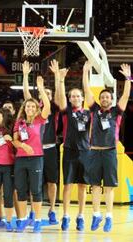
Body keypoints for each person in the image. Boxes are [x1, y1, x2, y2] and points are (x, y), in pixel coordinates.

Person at [83, 62, 131, 232]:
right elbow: (87, 91)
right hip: (94, 152)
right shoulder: (94, 109)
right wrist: (85, 72)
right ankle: (96, 215)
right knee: (95, 186)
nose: (104, 99)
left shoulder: (117, 111)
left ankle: (109, 217)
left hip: (110, 153)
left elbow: (125, 95)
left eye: (107, 97)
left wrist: (127, 78)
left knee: (109, 187)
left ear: (111, 100)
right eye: (102, 97)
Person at [23, 60, 60, 224]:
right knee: (35, 183)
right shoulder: (34, 111)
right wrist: (25, 76)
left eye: (48, 94)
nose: (46, 97)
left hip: (50, 149)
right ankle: (33, 211)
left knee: (52, 181)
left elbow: (55, 97)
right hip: (35, 151)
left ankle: (52, 209)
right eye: (43, 94)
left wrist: (56, 77)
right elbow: (26, 96)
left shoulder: (53, 109)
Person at [54, 60, 89, 231]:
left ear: (82, 98)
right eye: (72, 96)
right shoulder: (66, 112)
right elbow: (60, 99)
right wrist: (60, 80)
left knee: (82, 186)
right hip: (68, 151)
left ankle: (81, 216)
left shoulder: (89, 113)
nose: (75, 98)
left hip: (85, 152)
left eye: (78, 95)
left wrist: (85, 74)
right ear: (70, 98)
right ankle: (66, 216)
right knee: (67, 186)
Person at [12, 75, 50, 233]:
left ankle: (37, 221)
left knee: (36, 190)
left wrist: (41, 88)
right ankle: (21, 219)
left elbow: (47, 106)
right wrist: (22, 145)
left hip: (36, 159)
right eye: (28, 107)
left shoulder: (40, 120)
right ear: (24, 108)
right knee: (21, 190)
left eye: (33, 107)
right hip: (20, 159)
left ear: (36, 109)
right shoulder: (19, 122)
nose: (30, 109)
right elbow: (14, 140)